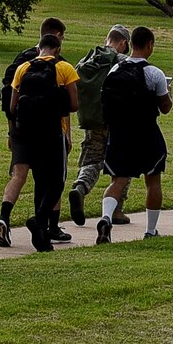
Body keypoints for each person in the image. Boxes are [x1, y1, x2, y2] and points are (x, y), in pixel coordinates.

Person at [92, 25, 173, 243]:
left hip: (119, 133)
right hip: (146, 132)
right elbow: (165, 107)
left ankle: (106, 218)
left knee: (118, 180)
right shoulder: (154, 73)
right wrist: (168, 93)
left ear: (131, 44)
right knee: (153, 180)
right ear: (149, 45)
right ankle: (150, 230)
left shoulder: (115, 70)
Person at [0, 17, 69, 247]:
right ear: (57, 37)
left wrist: (11, 130)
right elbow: (66, 105)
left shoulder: (21, 63)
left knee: (19, 175)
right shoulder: (59, 65)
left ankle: (3, 217)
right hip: (48, 130)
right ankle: (47, 226)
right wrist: (67, 134)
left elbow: (10, 101)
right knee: (50, 179)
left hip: (20, 128)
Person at [69, 25, 129, 227]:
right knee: (121, 164)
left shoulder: (88, 60)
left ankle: (81, 186)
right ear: (123, 43)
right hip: (116, 121)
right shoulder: (122, 61)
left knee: (93, 159)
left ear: (108, 39)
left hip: (92, 120)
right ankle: (117, 209)